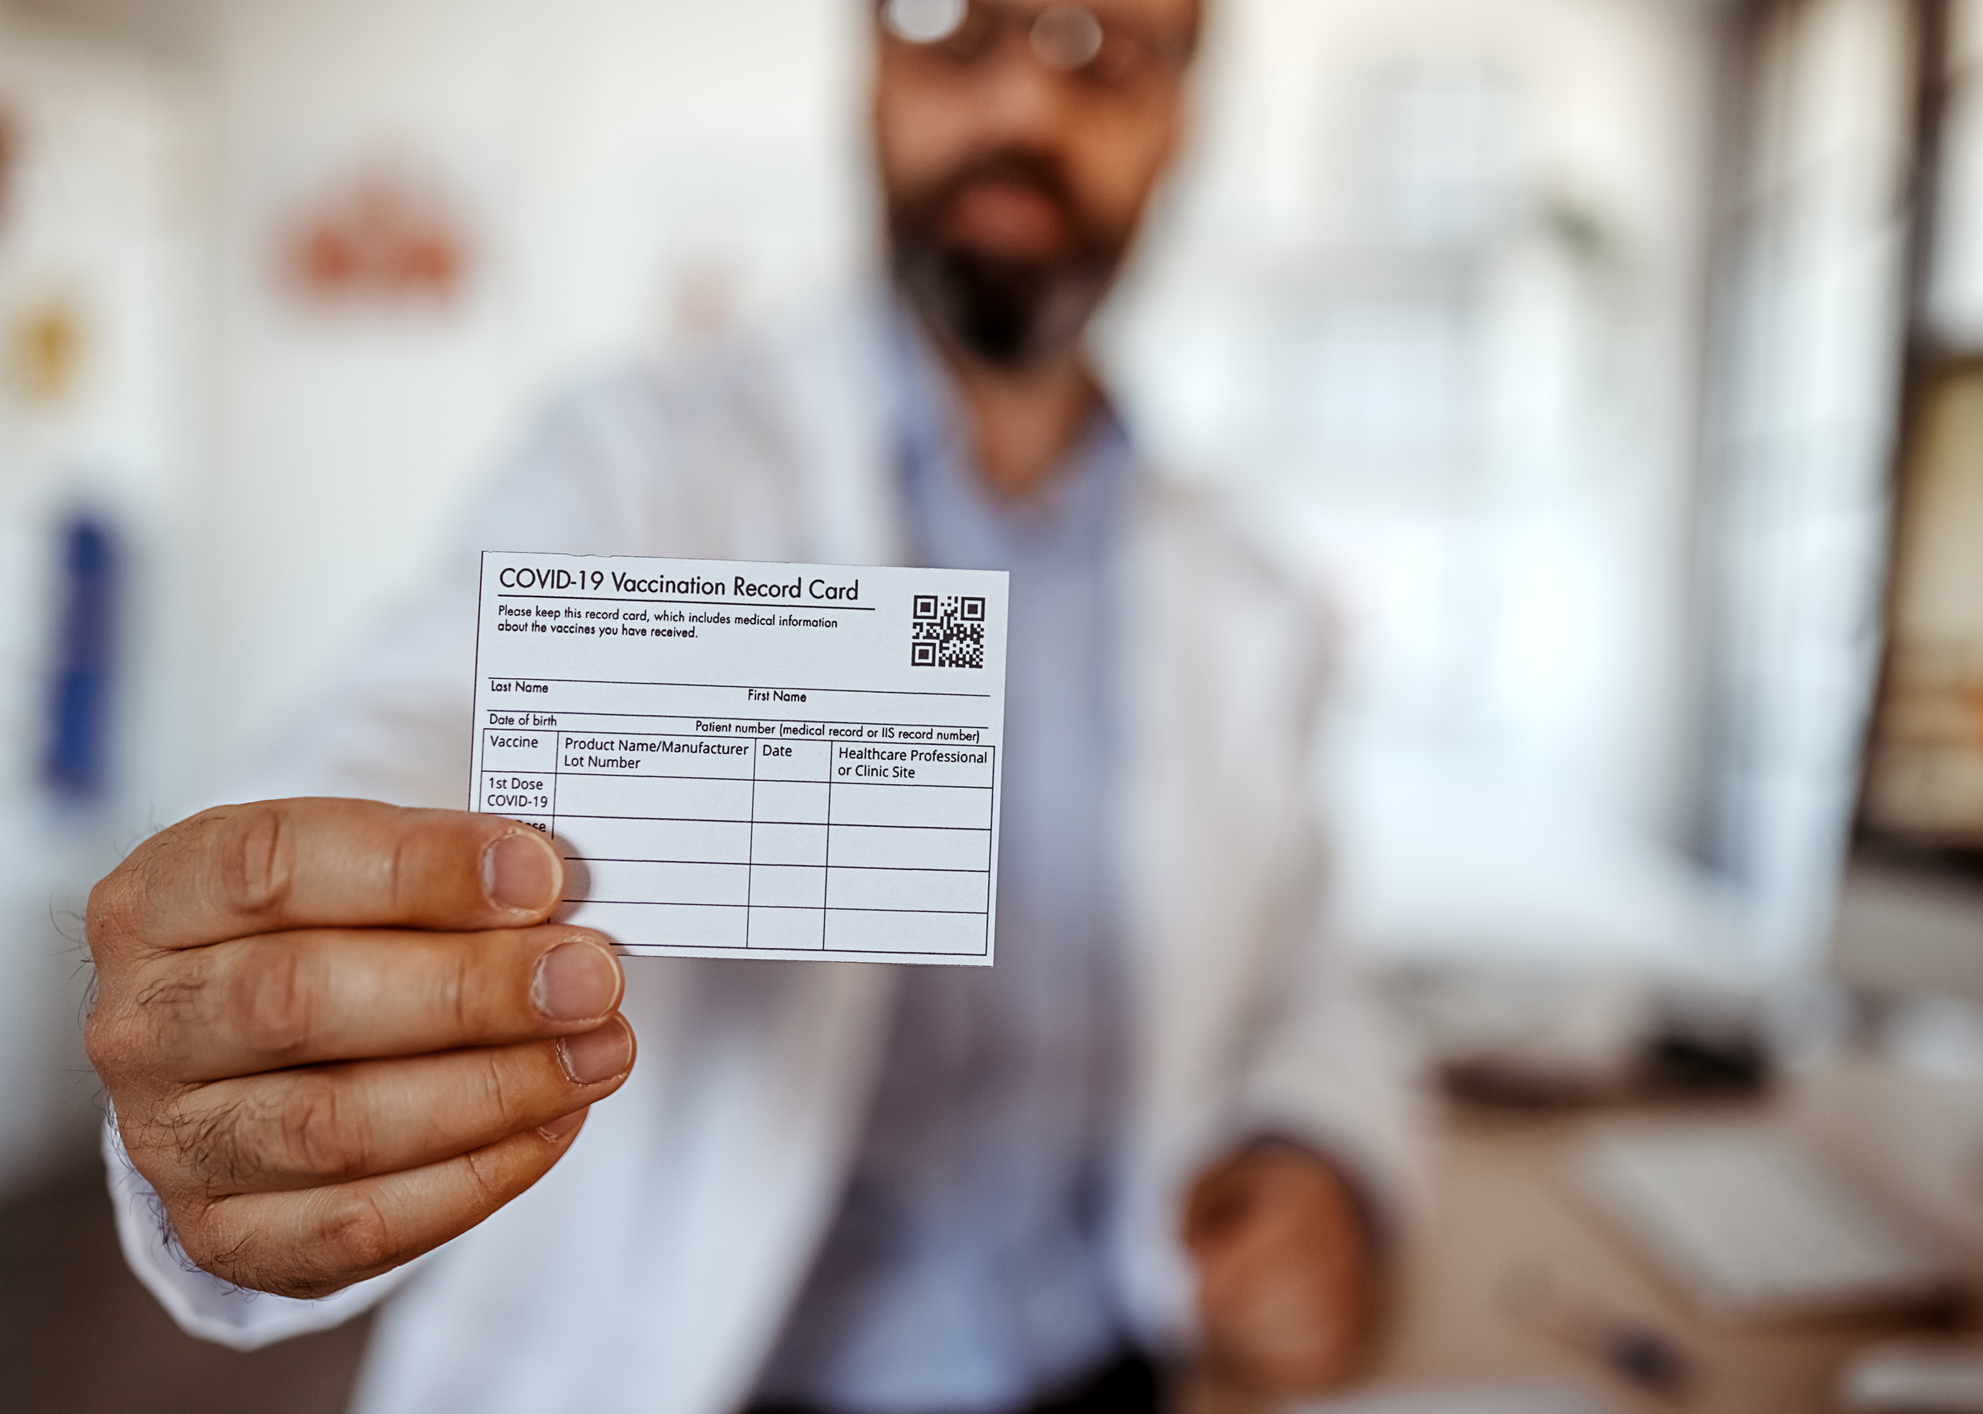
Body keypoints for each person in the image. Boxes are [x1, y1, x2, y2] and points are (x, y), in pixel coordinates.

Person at [84, 2, 1422, 1411]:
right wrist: (254, 979)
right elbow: (406, 732)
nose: (1026, 105)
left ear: (1183, 116)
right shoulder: (634, 466)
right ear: (868, 68)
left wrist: (1324, 1158)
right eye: (952, 26)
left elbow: (1311, 978)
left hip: (1112, 1367)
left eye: (1106, 45)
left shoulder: (1249, 591)